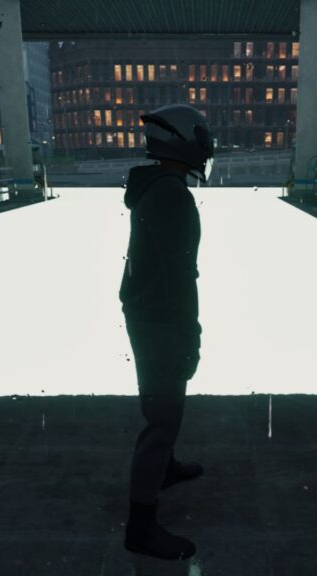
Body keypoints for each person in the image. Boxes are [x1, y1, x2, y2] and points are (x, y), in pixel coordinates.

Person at [119, 104, 214, 560]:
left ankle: (167, 468)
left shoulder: (155, 187)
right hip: (161, 319)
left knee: (161, 407)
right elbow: (181, 276)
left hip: (146, 312)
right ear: (182, 141)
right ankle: (141, 527)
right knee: (162, 420)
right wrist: (190, 337)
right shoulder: (173, 195)